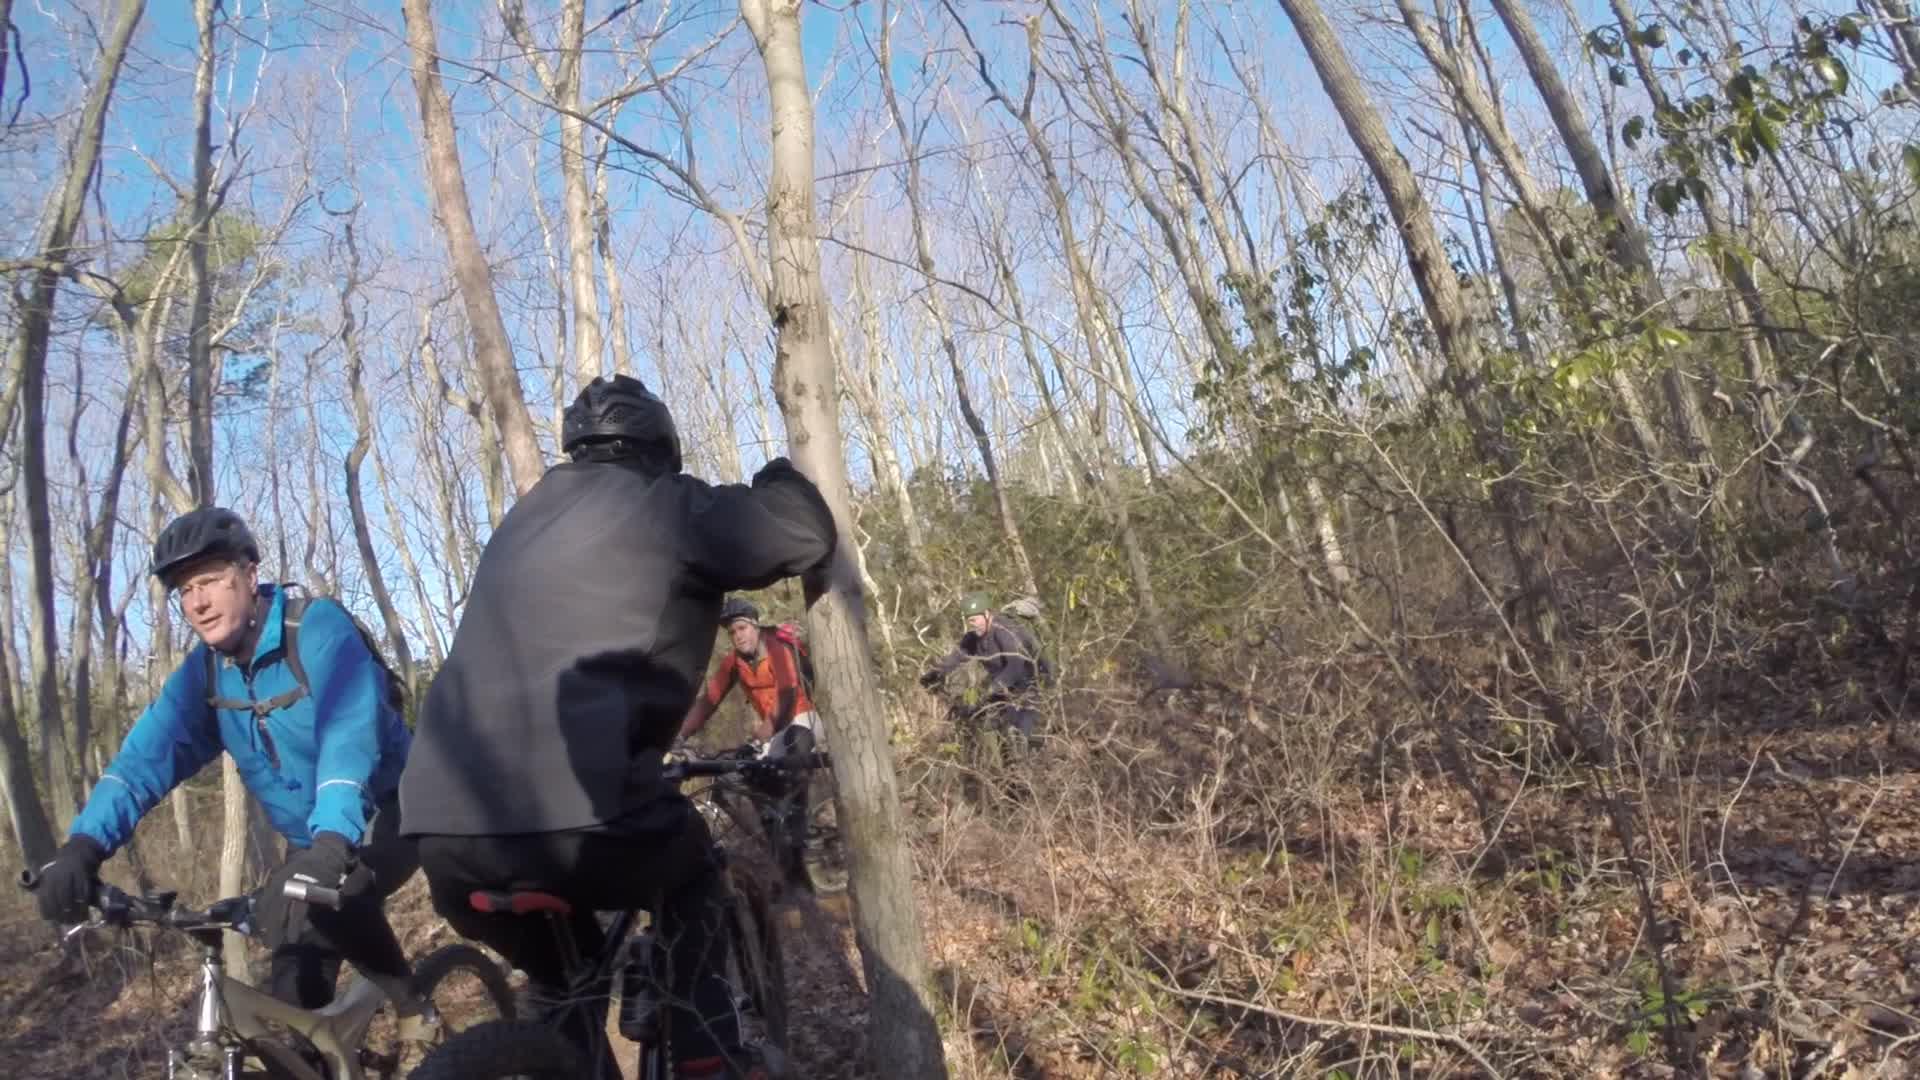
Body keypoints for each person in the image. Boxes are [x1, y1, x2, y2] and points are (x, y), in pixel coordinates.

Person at [400, 374, 836, 1080]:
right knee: (693, 876)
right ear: (661, 449)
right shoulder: (667, 504)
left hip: (443, 833)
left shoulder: (524, 519)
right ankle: (707, 1057)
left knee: (565, 989)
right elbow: (804, 533)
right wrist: (780, 472)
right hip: (580, 816)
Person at [32, 508, 429, 1043]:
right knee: (288, 1015)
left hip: (390, 811)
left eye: (211, 579)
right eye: (184, 589)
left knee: (341, 900)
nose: (197, 602)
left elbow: (348, 736)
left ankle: (413, 1008)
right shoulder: (207, 674)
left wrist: (332, 844)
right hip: (311, 840)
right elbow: (144, 761)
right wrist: (83, 846)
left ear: (248, 572)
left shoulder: (315, 628)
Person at [680, 597, 820, 888]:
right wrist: (679, 734)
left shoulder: (777, 649)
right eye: (732, 632)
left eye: (742, 628)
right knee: (735, 780)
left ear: (755, 626)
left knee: (783, 766)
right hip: (773, 731)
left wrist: (764, 731)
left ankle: (800, 840)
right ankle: (781, 855)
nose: (738, 635)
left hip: (801, 720)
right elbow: (709, 701)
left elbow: (788, 695)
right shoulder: (734, 662)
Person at [919, 591, 1045, 748]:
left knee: (1017, 735)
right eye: (969, 620)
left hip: (1028, 686)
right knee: (981, 723)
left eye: (975, 619)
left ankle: (1029, 762)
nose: (972, 624)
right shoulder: (973, 638)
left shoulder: (1004, 631)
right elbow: (957, 656)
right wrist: (936, 673)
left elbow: (1015, 666)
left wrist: (991, 689)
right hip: (1003, 688)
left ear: (987, 614)